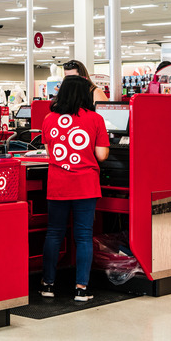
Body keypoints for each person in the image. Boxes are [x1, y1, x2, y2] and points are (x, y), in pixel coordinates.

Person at [40, 75, 110, 302]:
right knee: (83, 236)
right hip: (85, 184)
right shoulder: (96, 119)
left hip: (58, 184)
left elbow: (49, 152)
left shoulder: (49, 118)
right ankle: (81, 288)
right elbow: (101, 155)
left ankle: (48, 284)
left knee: (54, 234)